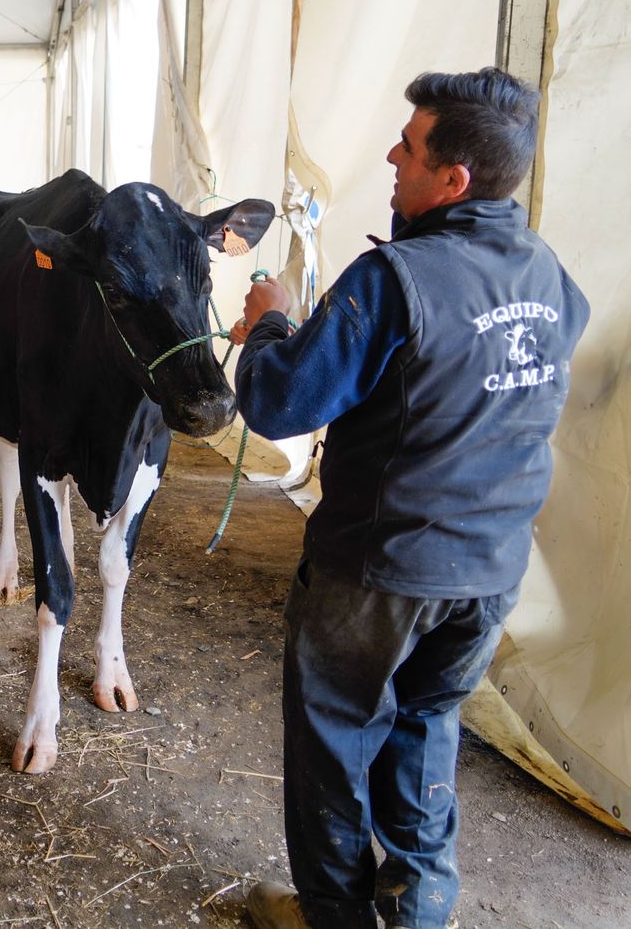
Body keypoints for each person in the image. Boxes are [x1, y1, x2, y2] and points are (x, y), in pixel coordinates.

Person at [231, 68, 589, 929]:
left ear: (453, 179)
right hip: (491, 569)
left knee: (334, 738)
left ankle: (335, 916)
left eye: (411, 145)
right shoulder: (548, 272)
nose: (393, 154)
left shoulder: (396, 279)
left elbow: (279, 400)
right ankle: (420, 908)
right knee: (426, 723)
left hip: (382, 570)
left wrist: (273, 320)